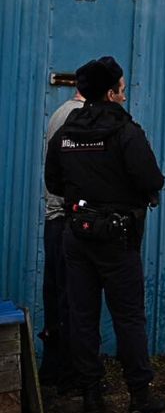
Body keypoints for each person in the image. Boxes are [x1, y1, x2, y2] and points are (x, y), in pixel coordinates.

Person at [46, 57, 165, 413]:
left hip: (77, 234)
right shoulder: (126, 132)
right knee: (128, 317)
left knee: (82, 316)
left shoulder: (66, 132)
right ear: (111, 92)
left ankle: (91, 396)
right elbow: (151, 180)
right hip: (117, 238)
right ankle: (139, 396)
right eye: (123, 89)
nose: (125, 95)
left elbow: (53, 182)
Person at [38, 89, 83, 395]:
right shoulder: (76, 118)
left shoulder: (58, 112)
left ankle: (53, 371)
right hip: (66, 220)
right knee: (72, 300)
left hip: (54, 220)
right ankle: (69, 376)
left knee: (56, 296)